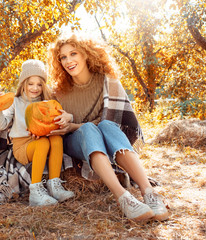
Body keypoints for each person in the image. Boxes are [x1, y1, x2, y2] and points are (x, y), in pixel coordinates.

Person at [47, 34, 169, 221]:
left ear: (86, 54)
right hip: (74, 141)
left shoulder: (106, 80)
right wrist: (69, 126)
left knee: (106, 124)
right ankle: (123, 197)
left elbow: (114, 118)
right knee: (88, 129)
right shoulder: (57, 91)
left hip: (103, 136)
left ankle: (149, 192)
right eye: (63, 57)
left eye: (73, 54)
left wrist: (75, 124)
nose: (68, 61)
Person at [0, 59, 75, 206]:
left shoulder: (46, 102)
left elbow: (60, 118)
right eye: (30, 83)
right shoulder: (15, 102)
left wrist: (69, 117)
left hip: (42, 141)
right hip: (22, 147)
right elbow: (1, 125)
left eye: (39, 84)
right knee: (43, 142)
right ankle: (36, 191)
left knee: (56, 139)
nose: (35, 88)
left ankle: (54, 185)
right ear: (23, 83)